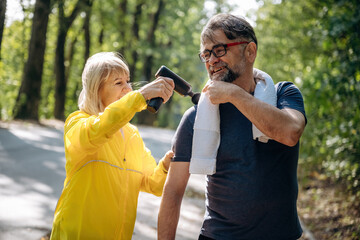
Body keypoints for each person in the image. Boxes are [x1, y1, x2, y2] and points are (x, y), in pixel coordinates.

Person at [158, 13, 307, 240]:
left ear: (250, 51)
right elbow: (173, 191)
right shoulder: (196, 118)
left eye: (219, 50)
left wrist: (235, 95)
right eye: (206, 54)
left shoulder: (283, 94)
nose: (211, 60)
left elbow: (290, 132)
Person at [50, 52, 175, 240]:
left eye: (128, 81)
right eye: (118, 83)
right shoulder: (77, 122)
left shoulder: (132, 135)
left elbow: (153, 185)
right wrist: (139, 98)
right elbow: (99, 129)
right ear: (96, 90)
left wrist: (166, 165)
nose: (127, 89)